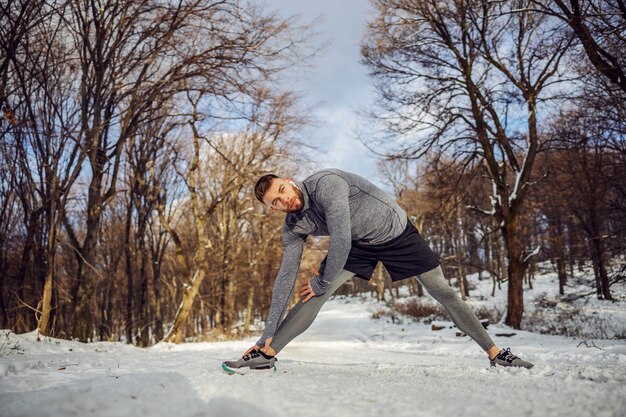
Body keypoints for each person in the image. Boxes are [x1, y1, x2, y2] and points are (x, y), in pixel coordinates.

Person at [222, 169, 534, 372]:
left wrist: (323, 278)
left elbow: (340, 235)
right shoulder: (293, 225)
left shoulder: (325, 184)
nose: (282, 201)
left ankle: (495, 352)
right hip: (359, 243)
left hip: (396, 233)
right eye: (274, 202)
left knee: (443, 292)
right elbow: (285, 279)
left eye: (281, 191)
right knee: (313, 292)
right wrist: (265, 334)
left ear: (288, 180)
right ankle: (267, 353)